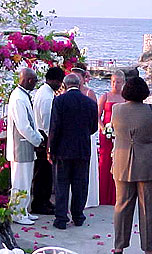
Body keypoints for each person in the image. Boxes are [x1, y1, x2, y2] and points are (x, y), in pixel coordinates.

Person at [111, 77, 152, 254]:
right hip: (148, 163)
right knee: (148, 208)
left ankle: (119, 246)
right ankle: (148, 249)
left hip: (122, 162)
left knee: (122, 206)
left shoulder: (116, 110)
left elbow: (114, 129)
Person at [48, 74, 98, 230]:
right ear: (79, 84)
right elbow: (93, 128)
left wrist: (51, 149)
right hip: (82, 149)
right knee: (80, 184)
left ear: (65, 84)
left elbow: (54, 127)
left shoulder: (59, 101)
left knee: (61, 185)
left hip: (62, 150)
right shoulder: (90, 103)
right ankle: (78, 216)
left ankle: (61, 218)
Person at [6, 68, 43, 225]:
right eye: (34, 81)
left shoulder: (22, 96)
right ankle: (17, 214)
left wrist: (37, 137)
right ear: (28, 80)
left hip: (26, 146)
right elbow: (23, 126)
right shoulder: (18, 99)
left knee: (26, 180)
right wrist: (38, 141)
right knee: (20, 181)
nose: (35, 85)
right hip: (20, 147)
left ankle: (24, 210)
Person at [31, 67, 65, 215]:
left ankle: (45, 200)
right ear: (54, 80)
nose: (60, 85)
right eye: (59, 82)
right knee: (43, 173)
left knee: (46, 173)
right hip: (44, 136)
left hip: (43, 135)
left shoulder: (45, 92)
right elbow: (46, 121)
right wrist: (50, 142)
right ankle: (39, 203)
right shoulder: (46, 96)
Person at [70, 65, 99, 208]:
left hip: (87, 134)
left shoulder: (89, 93)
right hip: (71, 136)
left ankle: (88, 198)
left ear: (83, 78)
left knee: (87, 166)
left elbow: (94, 115)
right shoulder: (65, 93)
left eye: (78, 77)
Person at [98, 70, 125, 205]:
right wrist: (103, 129)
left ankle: (116, 195)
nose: (115, 84)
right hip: (106, 134)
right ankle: (102, 195)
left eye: (118, 82)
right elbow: (97, 115)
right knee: (104, 162)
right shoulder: (105, 96)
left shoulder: (125, 98)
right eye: (113, 82)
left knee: (118, 163)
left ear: (123, 83)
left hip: (121, 135)